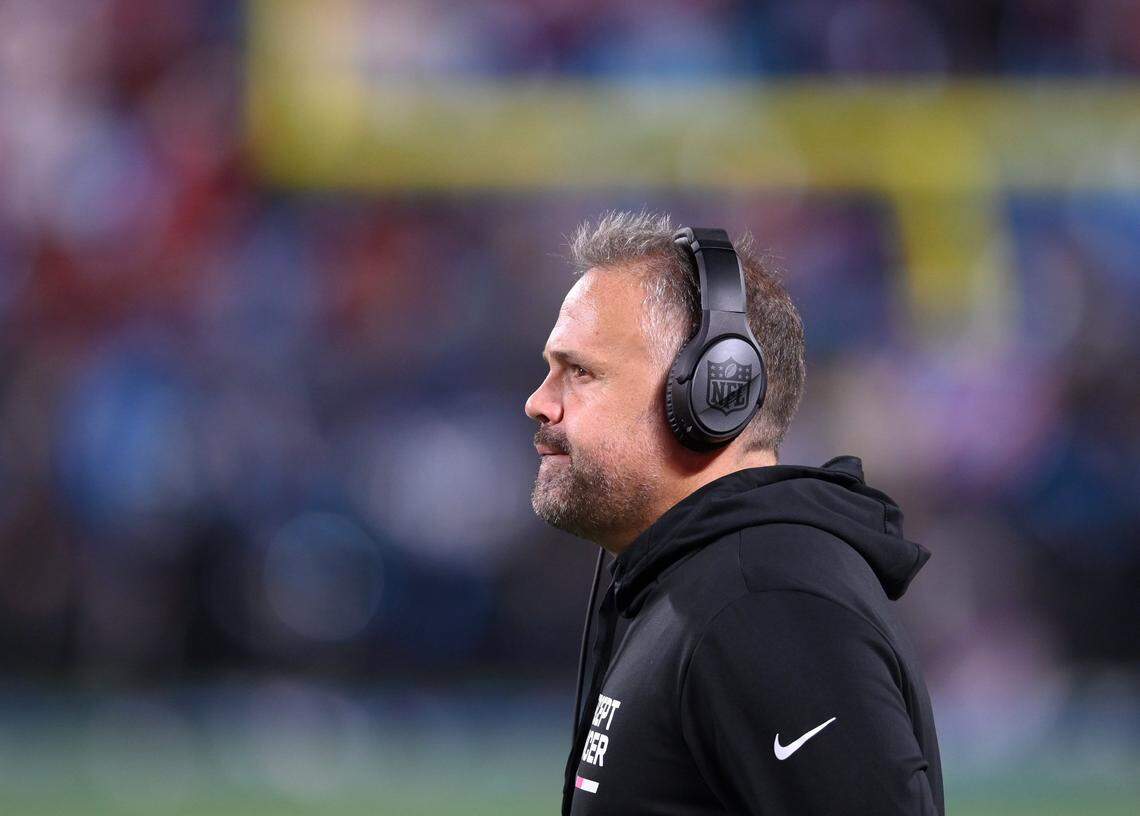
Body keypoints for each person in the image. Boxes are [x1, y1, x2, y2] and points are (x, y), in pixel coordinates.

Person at [523, 210, 944, 815]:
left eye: (580, 372)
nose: (539, 402)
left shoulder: (765, 603)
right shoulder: (699, 584)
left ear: (715, 391)